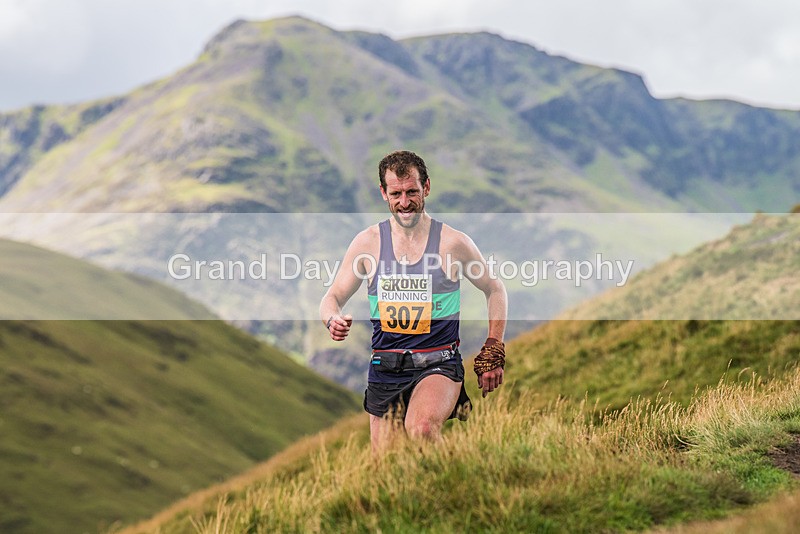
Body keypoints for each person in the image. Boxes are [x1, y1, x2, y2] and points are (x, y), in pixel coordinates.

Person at [319, 150, 507, 452]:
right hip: (384, 369)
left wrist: (493, 346)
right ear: (383, 193)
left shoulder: (453, 243)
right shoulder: (367, 243)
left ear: (427, 188)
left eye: (412, 192)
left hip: (438, 365)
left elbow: (494, 288)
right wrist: (332, 318)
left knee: (420, 429)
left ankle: (467, 481)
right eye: (396, 193)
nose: (404, 203)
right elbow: (333, 296)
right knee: (388, 471)